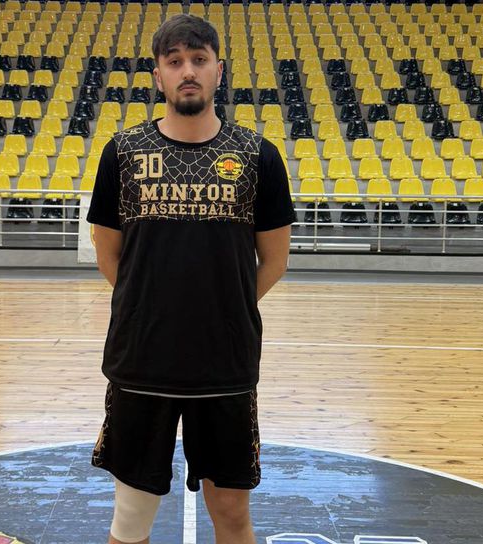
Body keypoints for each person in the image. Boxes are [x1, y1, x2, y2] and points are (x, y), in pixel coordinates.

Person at [86, 13, 295, 544]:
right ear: (158, 74)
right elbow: (109, 253)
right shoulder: (123, 153)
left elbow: (274, 260)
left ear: (218, 71)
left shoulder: (257, 156)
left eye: (199, 60)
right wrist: (149, 305)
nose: (188, 71)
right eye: (175, 60)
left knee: (232, 515)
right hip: (141, 361)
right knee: (130, 518)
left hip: (224, 364)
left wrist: (224, 310)